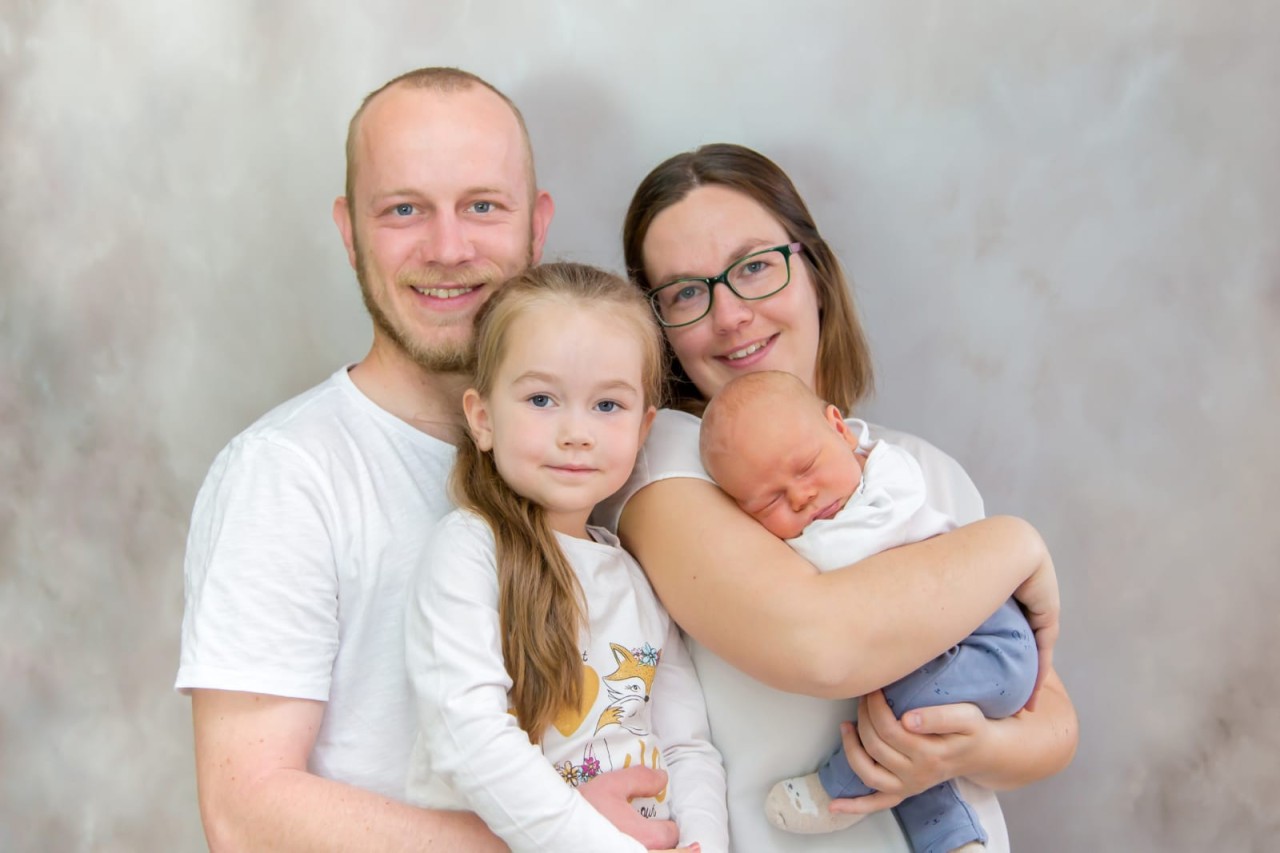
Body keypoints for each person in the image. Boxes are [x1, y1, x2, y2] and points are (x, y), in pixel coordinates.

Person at [175, 68, 673, 852]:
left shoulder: (606, 450)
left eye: (483, 206)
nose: (448, 249)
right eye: (405, 210)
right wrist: (561, 839)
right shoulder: (285, 474)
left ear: (536, 227)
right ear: (350, 232)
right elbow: (246, 813)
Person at [594, 142, 1078, 853]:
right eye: (687, 292)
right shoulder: (657, 464)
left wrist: (966, 747)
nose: (729, 315)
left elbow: (1052, 718)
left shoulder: (924, 469)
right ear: (658, 327)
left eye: (755, 266)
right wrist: (1017, 544)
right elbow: (822, 643)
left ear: (813, 272)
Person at [403, 263, 727, 853]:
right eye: (542, 398)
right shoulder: (472, 551)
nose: (576, 432)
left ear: (643, 427)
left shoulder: (635, 575)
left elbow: (685, 744)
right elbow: (468, 736)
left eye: (608, 406)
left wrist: (702, 844)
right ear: (483, 419)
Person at [699, 370, 1038, 852]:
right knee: (910, 752)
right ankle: (954, 840)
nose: (801, 497)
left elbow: (839, 583)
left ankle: (837, 786)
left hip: (990, 644)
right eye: (767, 500)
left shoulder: (888, 480)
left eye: (806, 467)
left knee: (890, 721)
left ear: (840, 429)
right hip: (946, 660)